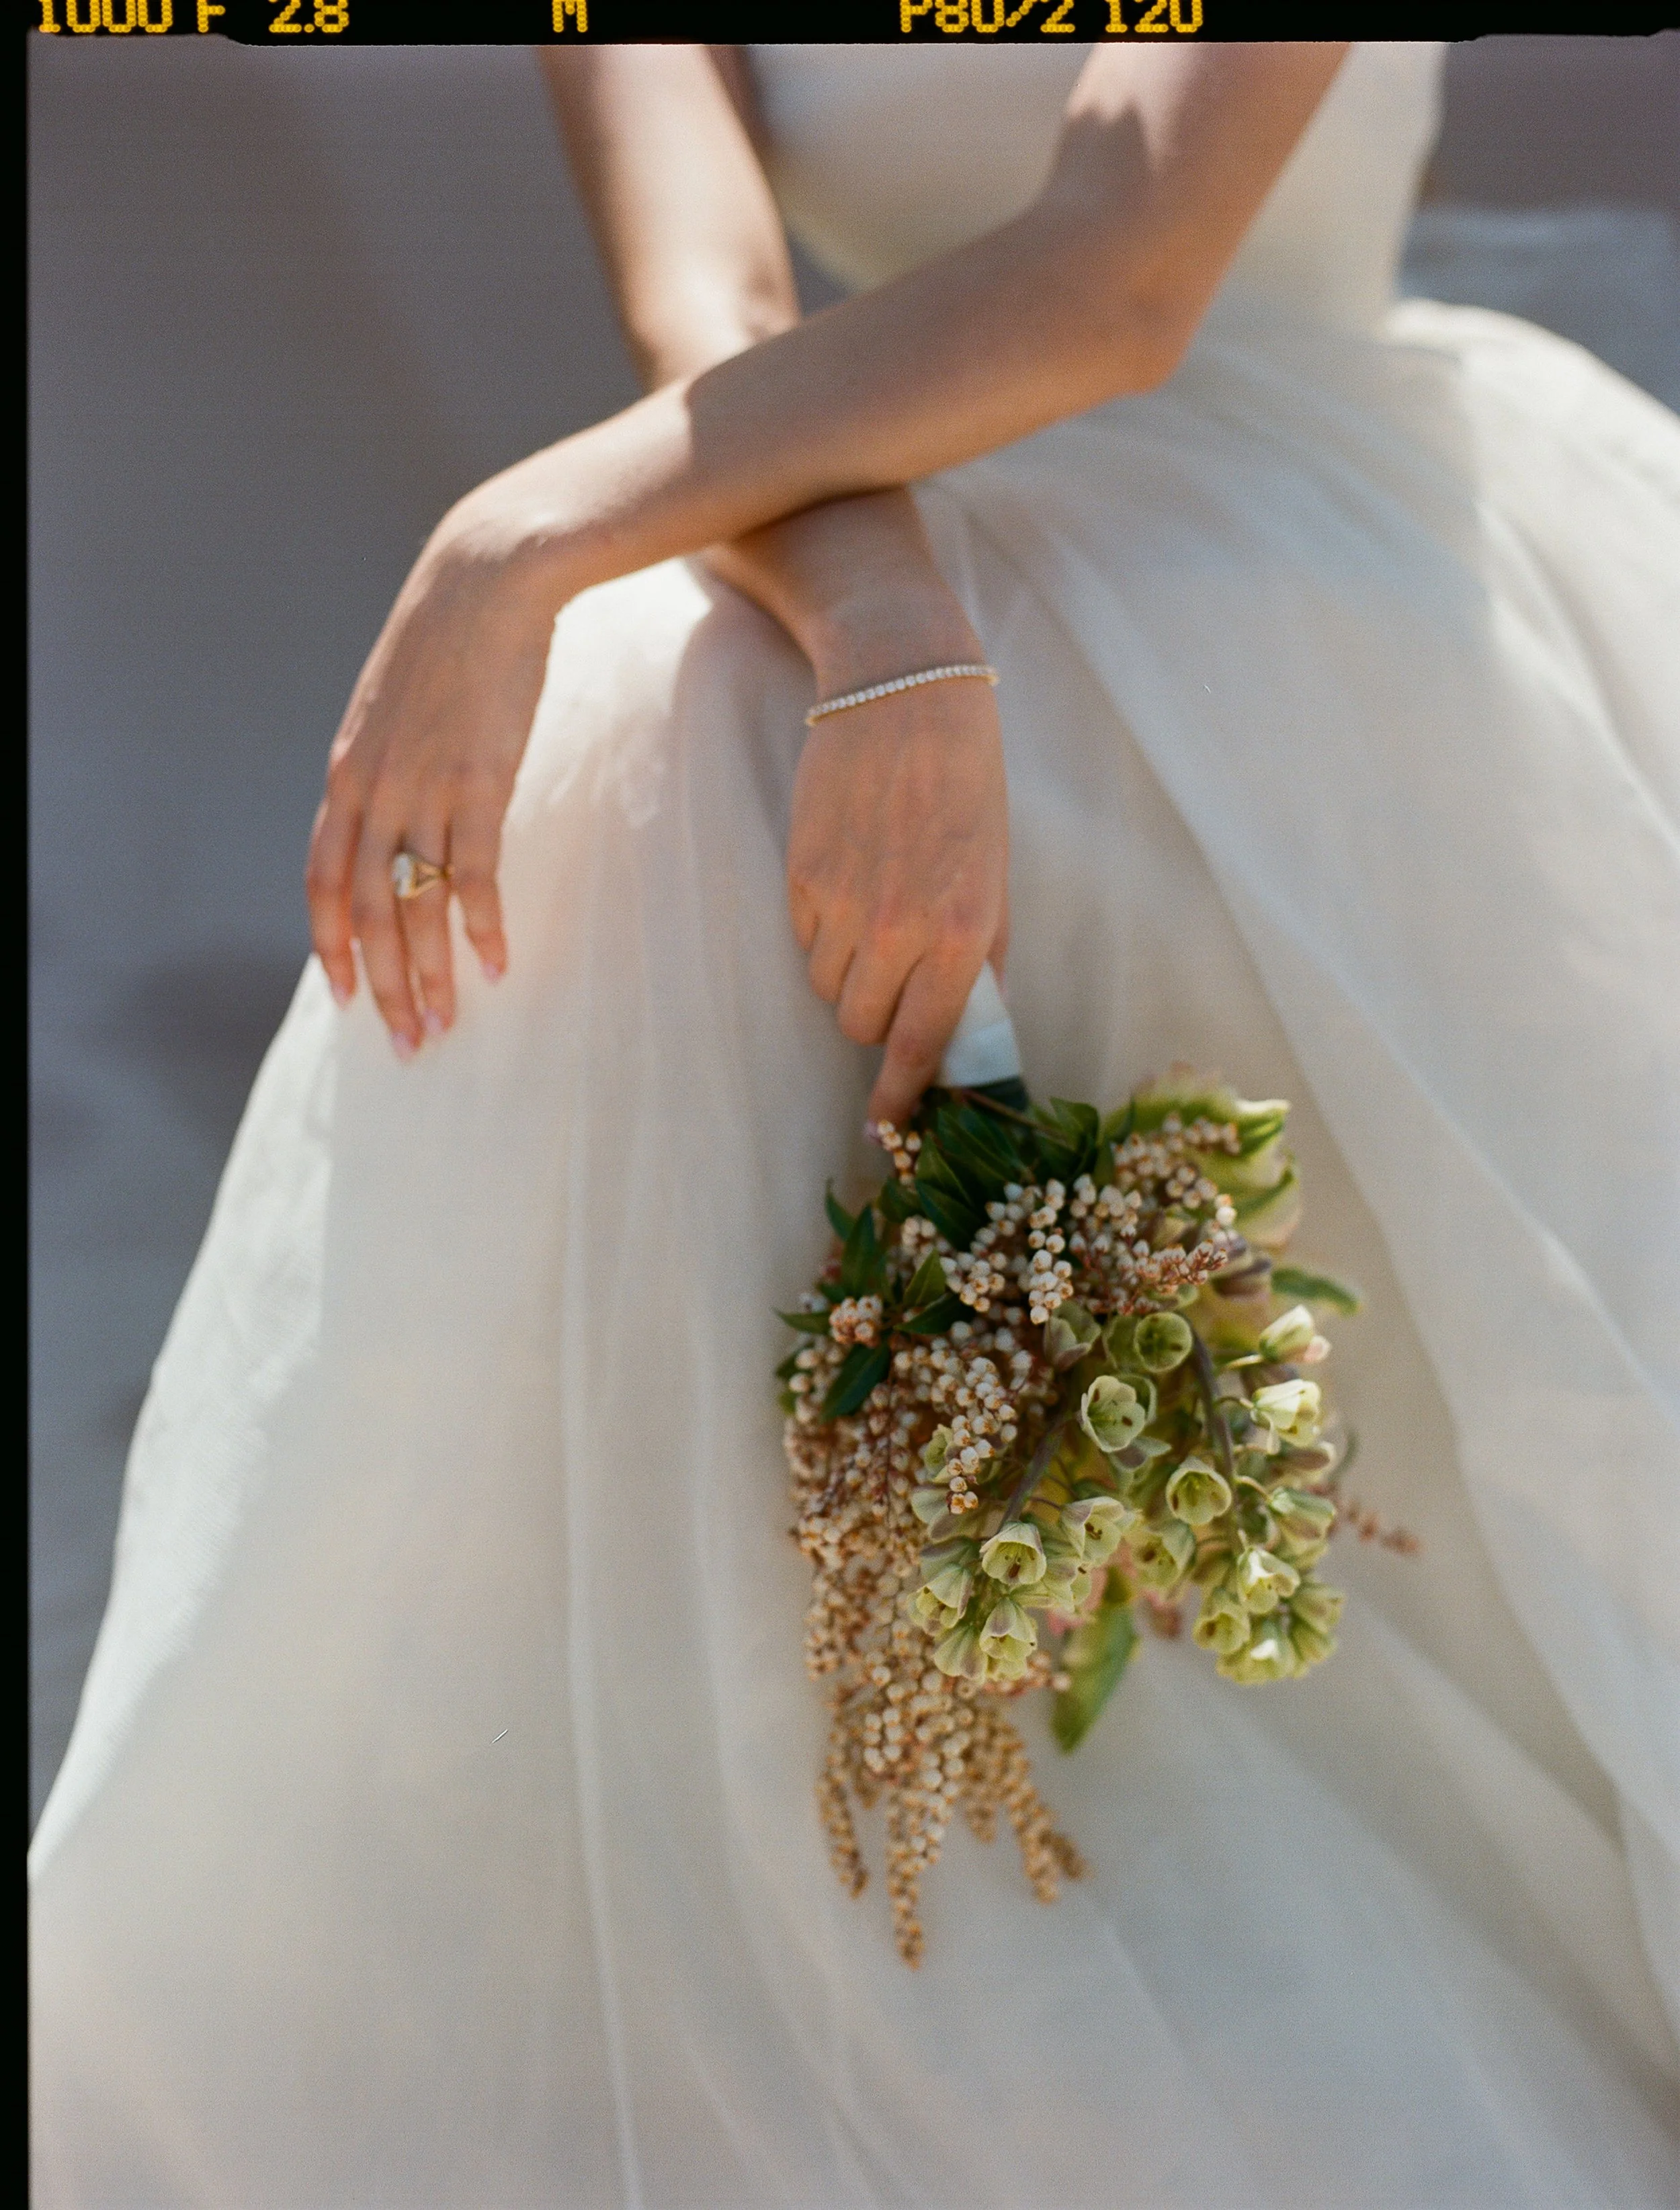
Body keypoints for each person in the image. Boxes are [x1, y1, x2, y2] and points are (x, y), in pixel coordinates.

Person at [30, 39, 1680, 2205]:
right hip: (892, 514)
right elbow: (714, 316)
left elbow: (1121, 276)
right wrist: (885, 630)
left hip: (1322, 541)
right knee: (658, 722)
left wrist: (516, 535)